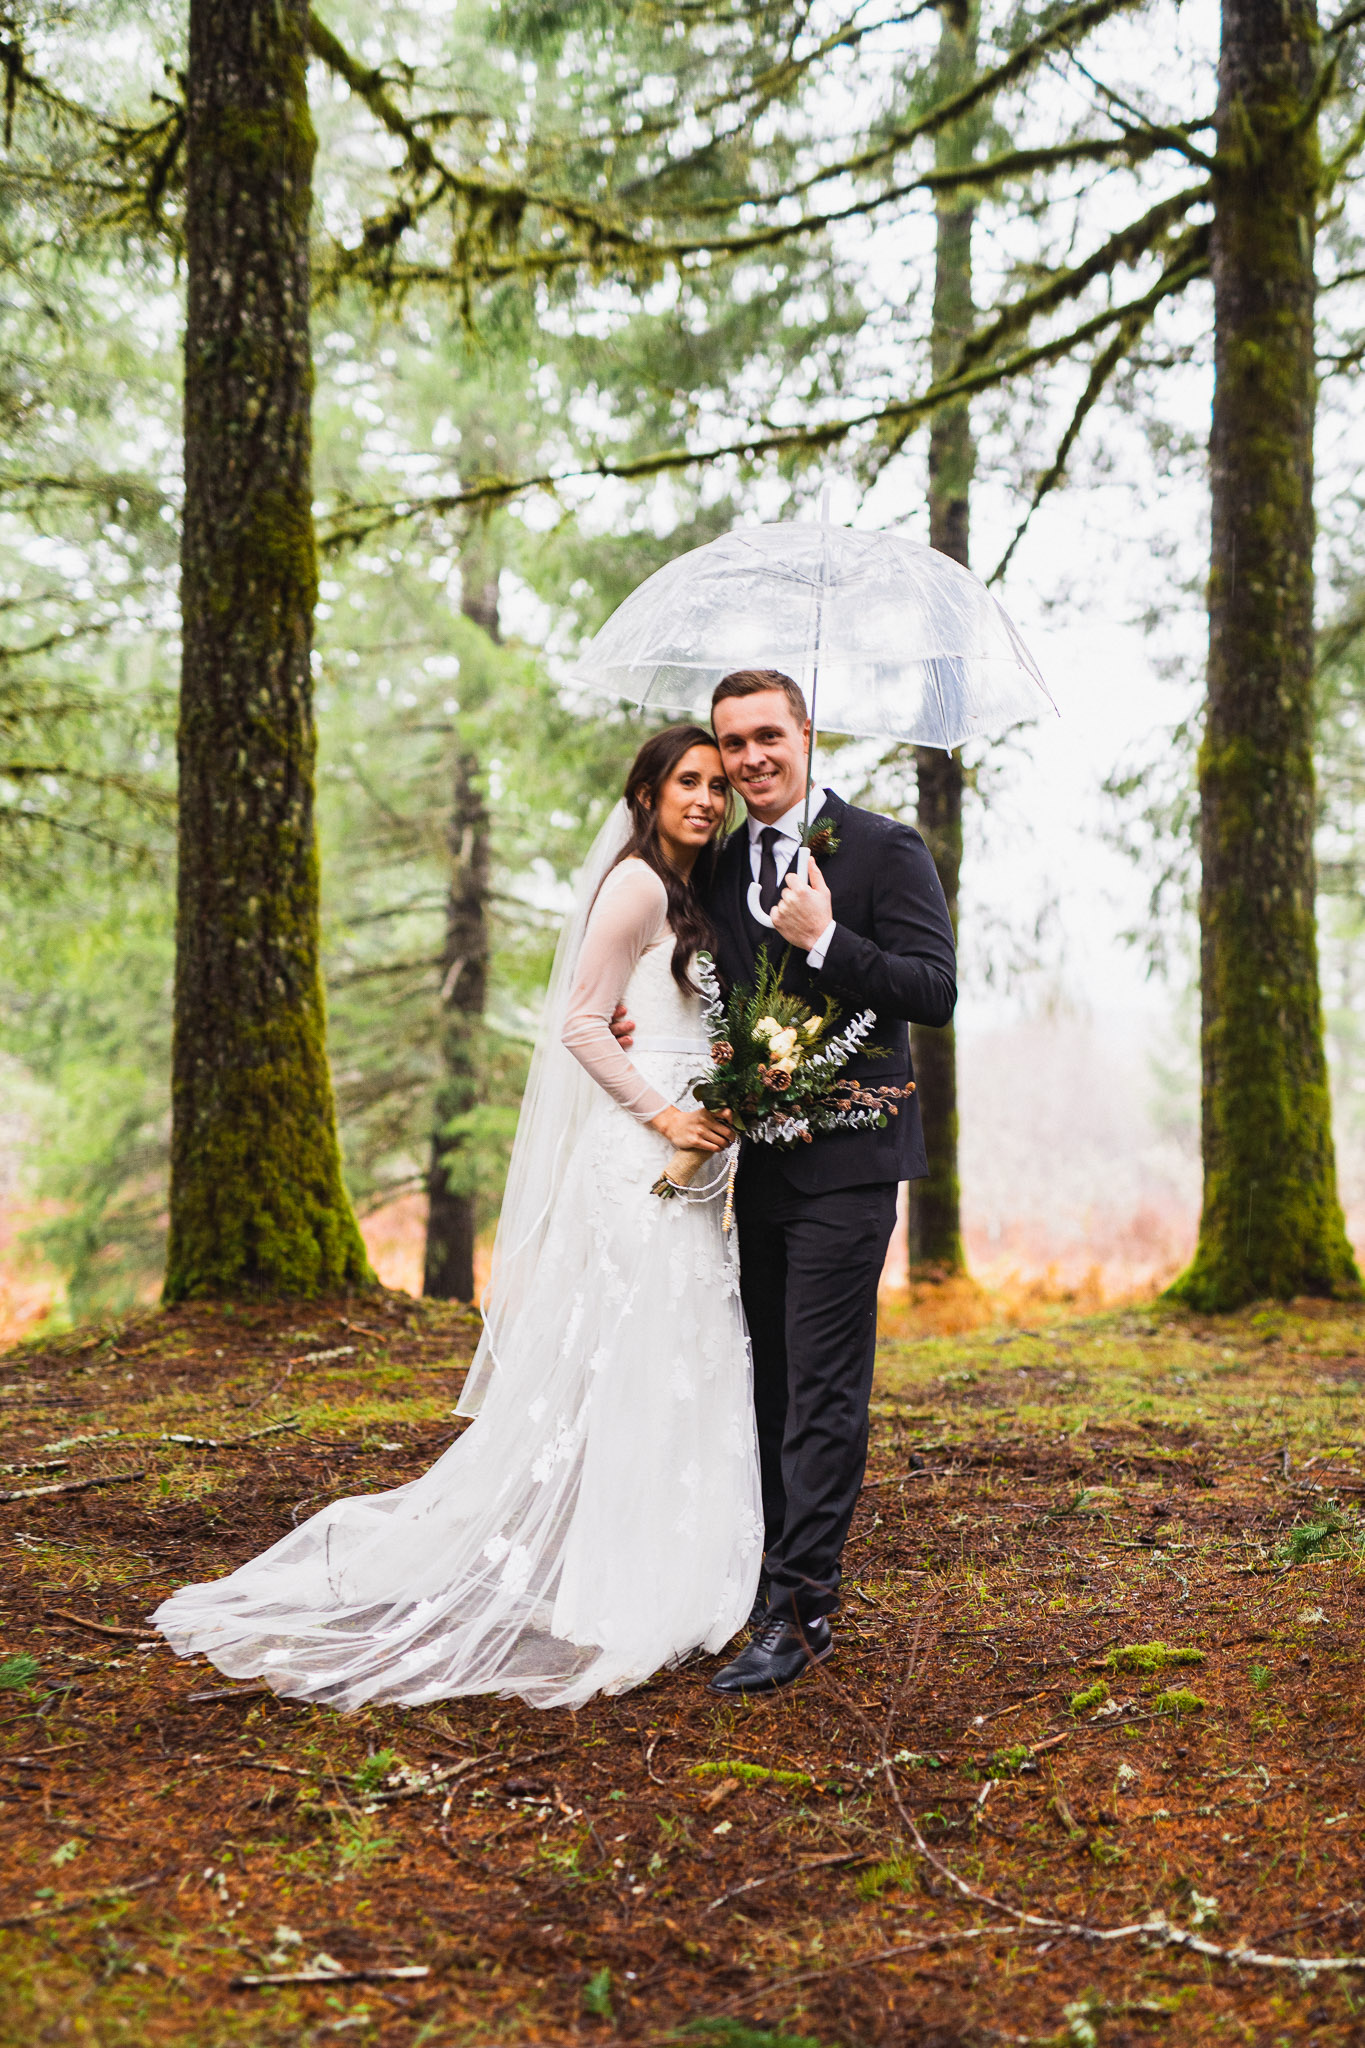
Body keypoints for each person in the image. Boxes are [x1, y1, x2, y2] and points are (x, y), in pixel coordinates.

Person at [152, 726, 762, 1711]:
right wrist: (665, 1114)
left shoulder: (695, 894)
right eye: (686, 781)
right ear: (646, 794)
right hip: (639, 1155)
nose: (705, 797)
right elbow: (580, 1024)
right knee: (640, 1352)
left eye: (717, 785)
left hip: (690, 1159)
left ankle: (662, 1563)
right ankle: (620, 1582)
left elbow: (668, 1016)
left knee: (676, 1348)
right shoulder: (637, 885)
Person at [613, 669, 956, 1694]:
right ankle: (762, 1577)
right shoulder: (718, 869)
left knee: (823, 1386)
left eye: (768, 734)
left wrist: (828, 939)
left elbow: (933, 989)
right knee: (763, 1381)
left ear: (806, 733)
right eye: (734, 743)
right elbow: (689, 979)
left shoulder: (885, 849)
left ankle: (804, 1612)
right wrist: (633, 1014)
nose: (751, 757)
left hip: (852, 1162)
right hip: (754, 1169)